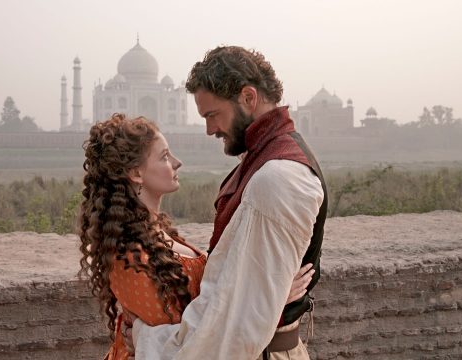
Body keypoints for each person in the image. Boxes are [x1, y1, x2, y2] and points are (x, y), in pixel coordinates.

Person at [130, 46, 328, 359]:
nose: (209, 129)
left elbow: (236, 326)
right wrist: (267, 295)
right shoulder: (265, 159)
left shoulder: (278, 175)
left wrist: (149, 338)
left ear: (248, 98)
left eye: (212, 115)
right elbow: (242, 289)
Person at [77, 114, 315, 360]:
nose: (177, 162)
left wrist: (263, 291)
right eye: (165, 157)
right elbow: (191, 342)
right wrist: (268, 298)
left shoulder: (156, 232)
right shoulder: (129, 256)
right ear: (136, 173)